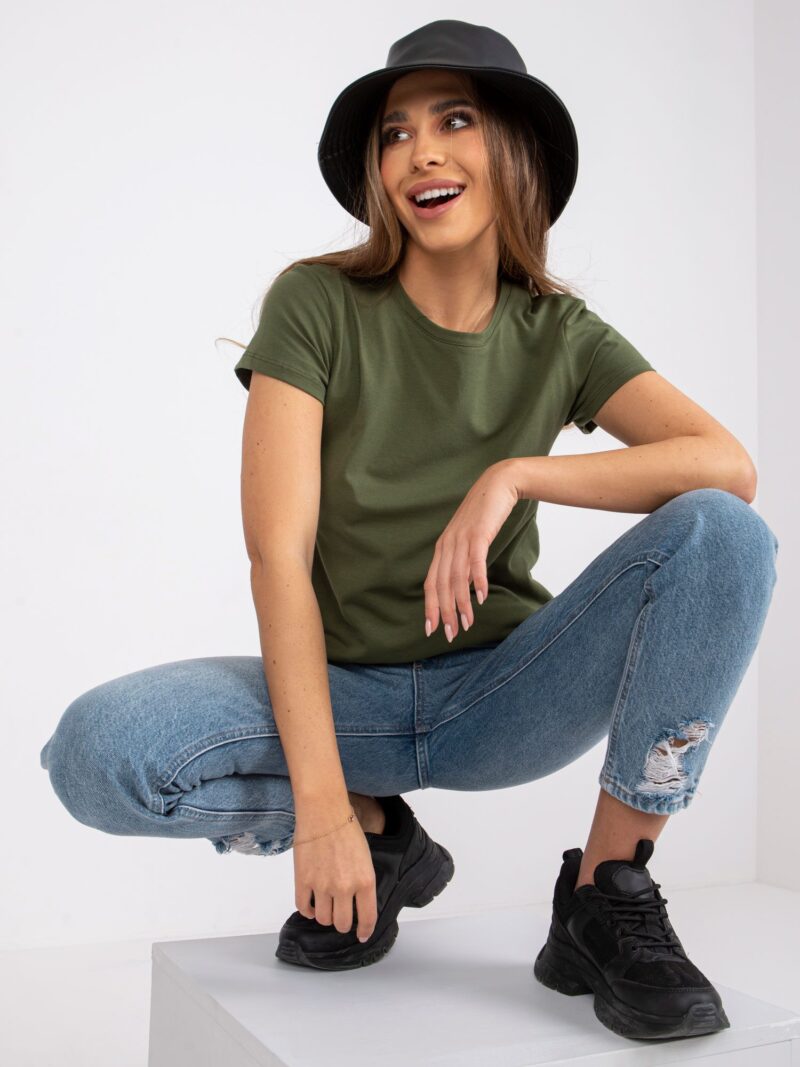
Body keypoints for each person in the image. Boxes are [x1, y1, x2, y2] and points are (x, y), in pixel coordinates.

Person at [40, 20, 778, 1042]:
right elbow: (276, 557)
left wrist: (516, 474)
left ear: (512, 149)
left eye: (454, 120)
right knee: (97, 753)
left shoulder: (558, 333)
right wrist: (324, 809)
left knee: (722, 532)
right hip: (341, 701)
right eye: (395, 133)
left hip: (503, 693)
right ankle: (380, 829)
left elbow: (724, 463)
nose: (420, 152)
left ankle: (605, 893)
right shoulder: (317, 304)